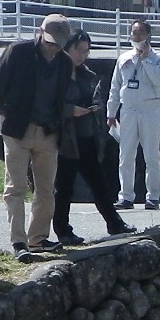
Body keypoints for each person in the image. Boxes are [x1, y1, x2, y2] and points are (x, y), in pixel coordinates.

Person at [0, 12, 71, 260]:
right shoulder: (19, 51)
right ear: (39, 32)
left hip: (49, 131)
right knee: (15, 186)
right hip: (18, 129)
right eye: (50, 42)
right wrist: (10, 111)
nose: (54, 49)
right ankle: (18, 242)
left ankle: (38, 238)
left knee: (46, 188)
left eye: (59, 44)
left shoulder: (65, 62)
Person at [51, 28, 132, 244]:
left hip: (86, 135)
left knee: (98, 182)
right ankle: (62, 230)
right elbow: (48, 104)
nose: (82, 55)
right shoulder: (55, 73)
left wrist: (94, 108)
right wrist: (70, 110)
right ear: (65, 48)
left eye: (86, 51)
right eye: (78, 50)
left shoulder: (85, 74)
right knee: (64, 187)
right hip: (65, 138)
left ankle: (114, 223)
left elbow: (90, 97)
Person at [110, 19, 160, 210]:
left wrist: (145, 60)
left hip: (150, 110)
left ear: (148, 35)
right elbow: (115, 86)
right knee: (126, 155)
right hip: (128, 110)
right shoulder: (123, 58)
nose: (137, 36)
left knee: (151, 156)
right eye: (134, 33)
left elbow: (159, 80)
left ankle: (152, 196)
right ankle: (126, 196)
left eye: (141, 32)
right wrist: (111, 112)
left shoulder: (159, 57)